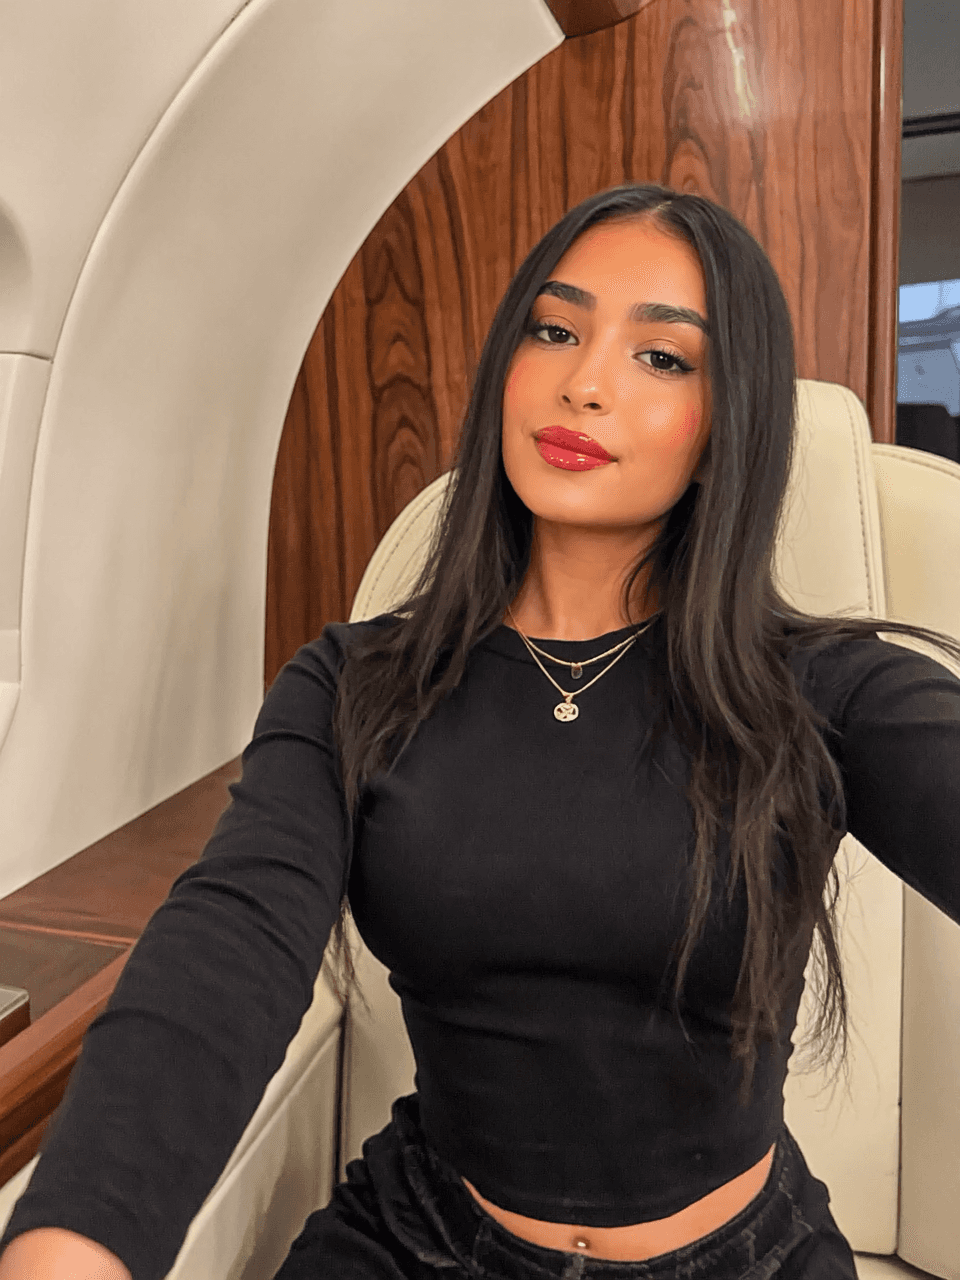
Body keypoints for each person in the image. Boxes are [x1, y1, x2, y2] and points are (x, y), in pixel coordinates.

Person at [1, 181, 959, 1280]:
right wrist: (72, 1245)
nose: (584, 381)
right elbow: (226, 949)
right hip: (419, 1241)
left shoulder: (828, 692)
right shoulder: (352, 684)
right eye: (554, 331)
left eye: (662, 357)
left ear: (723, 430)